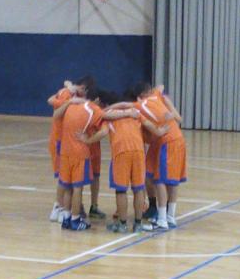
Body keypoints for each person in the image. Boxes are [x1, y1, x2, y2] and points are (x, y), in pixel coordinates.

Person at [78, 91, 169, 233]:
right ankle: (138, 224)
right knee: (138, 188)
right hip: (138, 152)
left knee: (121, 190)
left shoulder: (109, 116)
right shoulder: (135, 113)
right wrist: (160, 132)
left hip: (122, 152)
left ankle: (122, 224)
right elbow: (151, 127)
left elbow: (102, 132)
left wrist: (87, 141)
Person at [53, 87, 138, 231]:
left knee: (67, 188)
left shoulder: (72, 106)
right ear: (97, 100)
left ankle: (66, 218)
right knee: (77, 188)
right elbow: (107, 118)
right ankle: (75, 219)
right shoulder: (92, 109)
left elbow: (56, 114)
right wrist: (127, 113)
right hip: (79, 152)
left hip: (65, 152)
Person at [133, 82, 186, 230]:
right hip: (176, 139)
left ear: (140, 96)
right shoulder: (156, 95)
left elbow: (125, 107)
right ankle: (169, 216)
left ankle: (162, 219)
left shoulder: (140, 105)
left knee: (161, 180)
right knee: (168, 179)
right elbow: (161, 86)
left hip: (167, 141)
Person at [47, 77, 94, 223]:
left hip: (67, 141)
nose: (84, 93)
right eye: (83, 89)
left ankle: (69, 208)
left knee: (69, 179)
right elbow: (51, 101)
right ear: (79, 87)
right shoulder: (67, 95)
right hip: (60, 140)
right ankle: (58, 207)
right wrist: (67, 90)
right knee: (64, 178)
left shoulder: (77, 97)